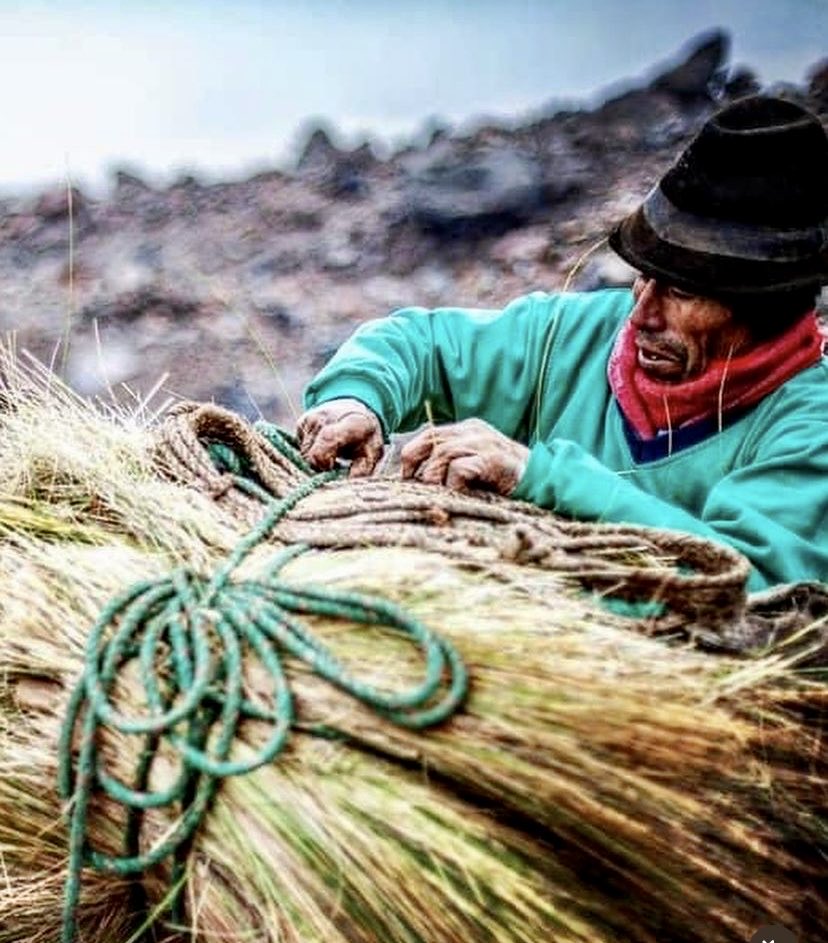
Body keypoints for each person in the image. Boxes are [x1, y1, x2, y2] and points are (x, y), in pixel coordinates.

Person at [295, 95, 828, 592]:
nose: (640, 314)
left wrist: (540, 477)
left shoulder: (810, 429)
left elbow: (751, 584)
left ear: (768, 306)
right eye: (644, 275)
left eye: (682, 290)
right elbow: (424, 344)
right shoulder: (572, 335)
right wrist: (356, 398)